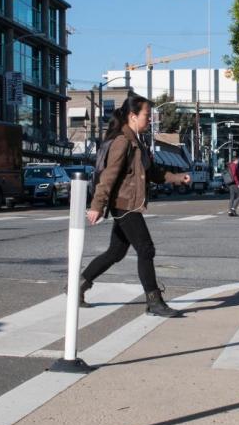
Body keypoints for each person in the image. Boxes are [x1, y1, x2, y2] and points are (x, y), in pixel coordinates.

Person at [80, 95, 191, 317]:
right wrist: (96, 205)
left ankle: (78, 286)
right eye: (147, 115)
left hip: (127, 204)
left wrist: (178, 177)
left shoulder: (137, 142)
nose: (149, 119)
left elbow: (153, 173)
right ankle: (154, 301)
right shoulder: (123, 141)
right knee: (145, 248)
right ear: (132, 116)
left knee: (115, 252)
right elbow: (109, 176)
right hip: (125, 205)